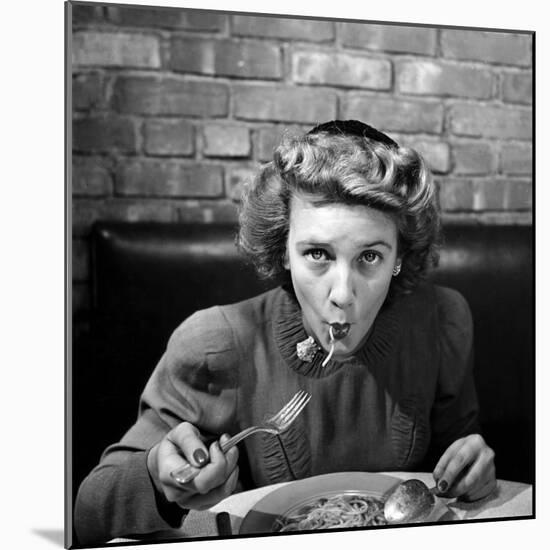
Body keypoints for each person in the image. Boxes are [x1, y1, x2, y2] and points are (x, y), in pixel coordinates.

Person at [74, 120, 496, 544]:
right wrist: (156, 476)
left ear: (400, 257)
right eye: (318, 254)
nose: (343, 295)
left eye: (370, 256)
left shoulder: (442, 322)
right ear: (284, 251)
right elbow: (88, 512)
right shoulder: (214, 344)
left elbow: (457, 454)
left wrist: (470, 467)